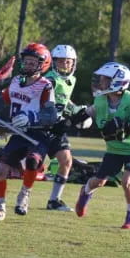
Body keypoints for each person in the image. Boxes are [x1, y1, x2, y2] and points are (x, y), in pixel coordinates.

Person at [74, 62, 130, 229]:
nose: (101, 83)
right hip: (114, 149)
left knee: (127, 181)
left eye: (105, 80)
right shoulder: (100, 100)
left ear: (118, 82)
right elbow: (87, 113)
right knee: (99, 181)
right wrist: (69, 121)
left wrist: (124, 127)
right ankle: (85, 192)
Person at [0, 43, 54, 220]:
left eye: (33, 63)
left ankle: (24, 194)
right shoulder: (16, 81)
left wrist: (31, 118)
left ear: (42, 65)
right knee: (1, 169)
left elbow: (51, 114)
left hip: (38, 133)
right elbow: (1, 100)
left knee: (33, 162)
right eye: (26, 62)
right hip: (18, 133)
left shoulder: (45, 86)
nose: (28, 65)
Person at [43, 45, 91, 212]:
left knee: (66, 161)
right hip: (41, 127)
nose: (65, 65)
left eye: (68, 62)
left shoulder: (71, 80)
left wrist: (77, 111)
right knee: (29, 164)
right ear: (54, 62)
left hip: (57, 128)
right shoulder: (49, 80)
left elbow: (65, 101)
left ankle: (54, 200)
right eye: (61, 61)